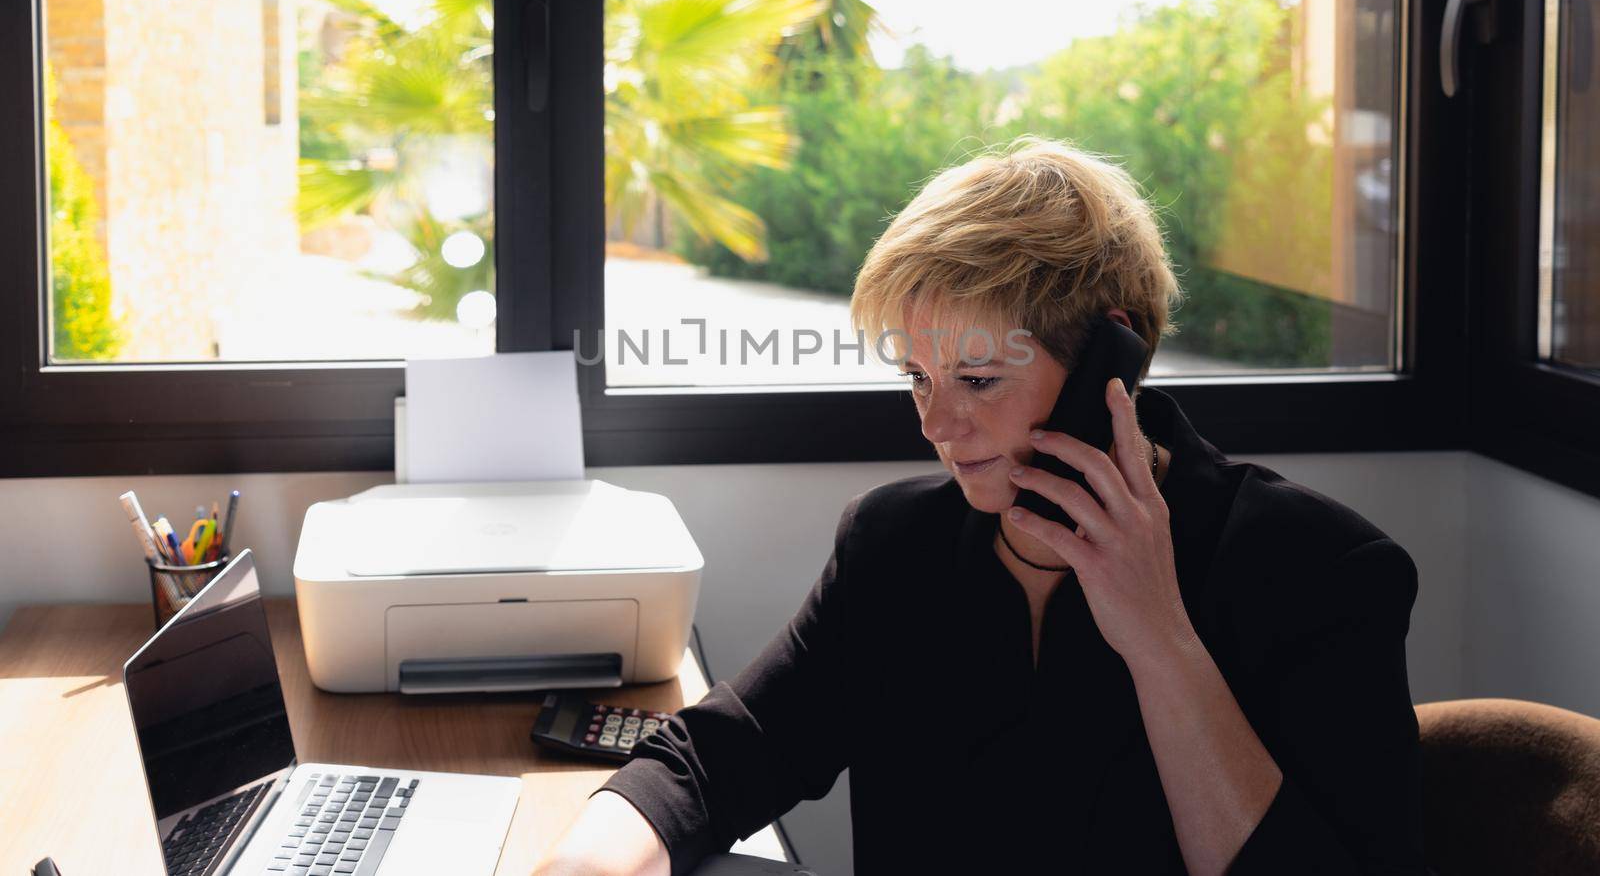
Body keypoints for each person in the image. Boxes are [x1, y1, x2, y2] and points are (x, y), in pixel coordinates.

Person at [532, 138, 1425, 875]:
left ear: (1108, 364)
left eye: (978, 378)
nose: (937, 423)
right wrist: (587, 864)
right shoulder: (895, 545)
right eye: (917, 376)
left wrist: (1159, 636)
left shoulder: (1319, 572)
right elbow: (726, 751)